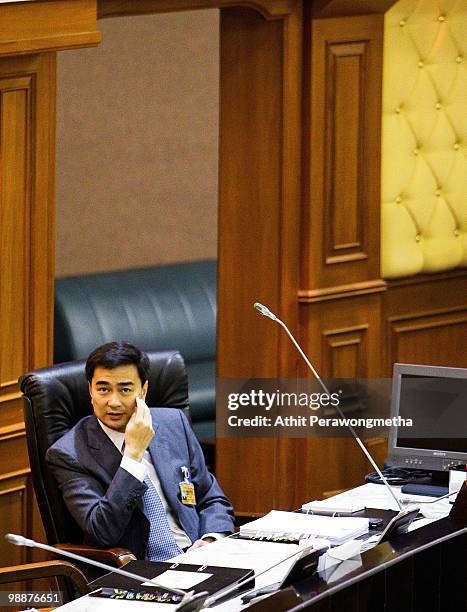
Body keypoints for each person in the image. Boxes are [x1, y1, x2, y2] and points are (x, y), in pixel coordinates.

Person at [46, 342, 235, 561]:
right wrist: (133, 457)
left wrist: (210, 540)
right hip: (137, 571)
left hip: (197, 557)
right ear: (90, 390)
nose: (113, 402)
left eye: (125, 389)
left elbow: (212, 499)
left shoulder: (174, 423)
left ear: (143, 390)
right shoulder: (69, 454)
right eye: (103, 389)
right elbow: (102, 531)